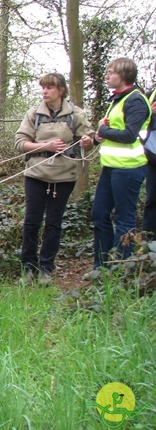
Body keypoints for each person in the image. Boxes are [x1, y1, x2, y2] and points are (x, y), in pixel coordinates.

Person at [14, 73, 94, 286]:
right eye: (43, 87)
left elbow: (89, 140)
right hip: (36, 173)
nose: (45, 91)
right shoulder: (34, 114)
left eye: (50, 87)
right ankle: (28, 268)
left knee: (53, 223)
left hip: (64, 175)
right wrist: (45, 146)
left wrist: (88, 141)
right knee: (31, 221)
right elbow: (20, 143)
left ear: (61, 90)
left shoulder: (75, 114)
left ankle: (46, 269)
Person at [85, 58, 151, 280]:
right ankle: (101, 266)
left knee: (124, 219)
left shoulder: (136, 101)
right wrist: (98, 136)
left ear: (123, 75)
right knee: (99, 214)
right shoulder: (116, 100)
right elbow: (111, 131)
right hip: (111, 168)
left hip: (129, 169)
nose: (106, 76)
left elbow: (129, 135)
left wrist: (103, 131)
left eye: (110, 72)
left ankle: (120, 269)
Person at [142, 88, 156, 235]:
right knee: (152, 200)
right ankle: (149, 240)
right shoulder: (151, 94)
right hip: (153, 157)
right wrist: (150, 114)